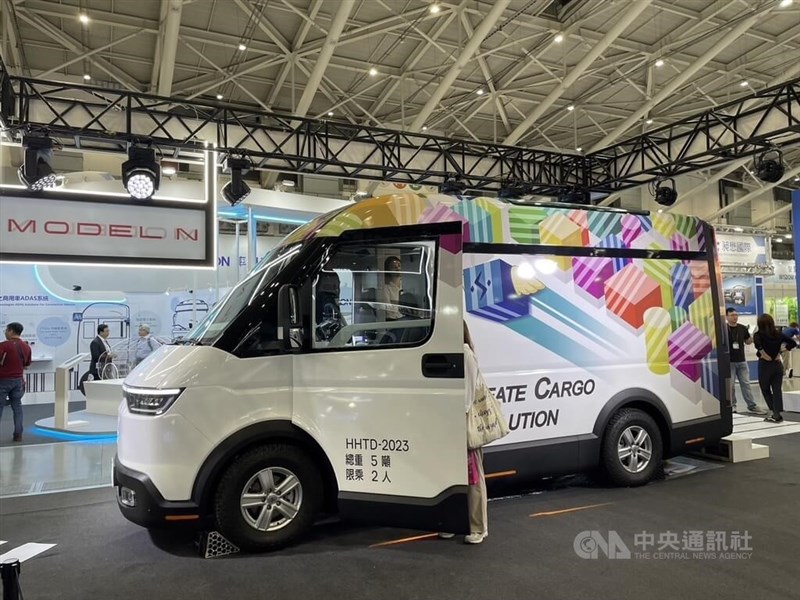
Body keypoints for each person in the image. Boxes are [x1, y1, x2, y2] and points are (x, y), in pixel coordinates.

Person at [441, 322, 488, 544]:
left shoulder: (465, 354)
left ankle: (478, 527)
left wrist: (455, 421)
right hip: (450, 424)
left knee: (473, 478)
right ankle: (455, 523)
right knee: (454, 477)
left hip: (464, 423)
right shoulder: (449, 353)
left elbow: (467, 397)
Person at [753, 313, 797, 423]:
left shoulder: (758, 334)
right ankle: (777, 413)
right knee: (777, 390)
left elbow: (758, 346)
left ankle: (774, 412)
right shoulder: (778, 334)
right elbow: (793, 343)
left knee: (765, 388)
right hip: (777, 365)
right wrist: (781, 351)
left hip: (765, 365)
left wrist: (763, 354)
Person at [726, 308, 765, 414]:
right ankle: (732, 405)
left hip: (741, 360)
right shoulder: (724, 329)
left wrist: (753, 337)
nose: (735, 317)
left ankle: (751, 405)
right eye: (732, 315)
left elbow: (747, 341)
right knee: (731, 385)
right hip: (730, 361)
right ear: (727, 317)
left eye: (736, 314)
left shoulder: (742, 328)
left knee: (746, 384)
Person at [0, 322, 32, 442]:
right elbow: (27, 365)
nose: (5, 332)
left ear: (11, 331)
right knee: (17, 407)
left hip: (2, 381)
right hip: (18, 381)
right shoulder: (26, 347)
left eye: (6, 330)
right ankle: (18, 434)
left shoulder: (3, 346)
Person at [377, 255, 404, 321]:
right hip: (393, 320)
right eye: (394, 267)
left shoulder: (405, 284)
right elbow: (389, 311)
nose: (398, 269)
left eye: (399, 266)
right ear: (388, 270)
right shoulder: (386, 288)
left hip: (404, 317)